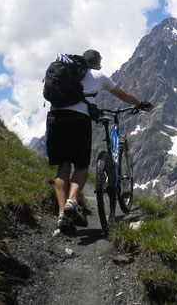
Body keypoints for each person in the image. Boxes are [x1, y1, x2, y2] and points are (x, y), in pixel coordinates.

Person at [46, 49, 153, 229]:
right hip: (78, 120)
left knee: (62, 167)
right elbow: (122, 94)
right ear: (96, 63)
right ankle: (73, 201)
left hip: (54, 118)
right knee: (81, 166)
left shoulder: (65, 74)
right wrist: (140, 103)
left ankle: (62, 214)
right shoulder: (98, 75)